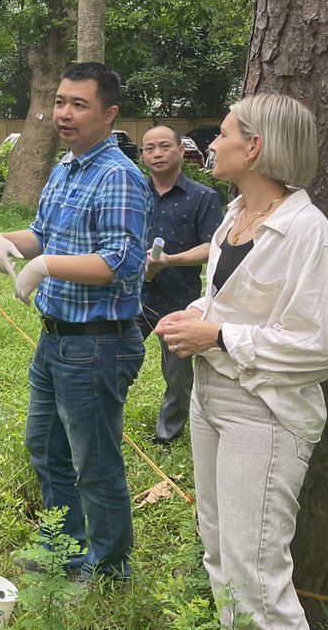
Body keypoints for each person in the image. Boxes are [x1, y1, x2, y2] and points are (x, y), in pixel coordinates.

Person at [155, 93, 328, 628]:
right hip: (209, 397)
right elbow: (226, 300)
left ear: (255, 147)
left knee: (255, 575)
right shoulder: (234, 217)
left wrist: (216, 335)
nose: (211, 144)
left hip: (263, 411)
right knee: (218, 552)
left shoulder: (311, 236)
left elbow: (319, 346)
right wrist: (192, 315)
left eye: (222, 134)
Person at [0, 62, 151, 579]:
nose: (64, 113)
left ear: (109, 113)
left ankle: (109, 569)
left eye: (79, 104)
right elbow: (44, 233)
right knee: (46, 446)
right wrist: (8, 240)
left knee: (95, 465)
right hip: (54, 339)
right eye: (59, 102)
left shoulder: (119, 176)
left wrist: (46, 265)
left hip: (98, 343)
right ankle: (65, 546)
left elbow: (120, 263)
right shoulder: (66, 167)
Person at [139, 124, 222, 445]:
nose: (157, 154)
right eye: (149, 148)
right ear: (142, 155)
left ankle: (167, 437)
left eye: (164, 146)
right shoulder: (133, 194)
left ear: (180, 151)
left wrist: (169, 261)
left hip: (179, 301)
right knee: (115, 364)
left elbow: (212, 247)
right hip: (132, 297)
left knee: (177, 377)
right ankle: (108, 427)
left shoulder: (203, 197)